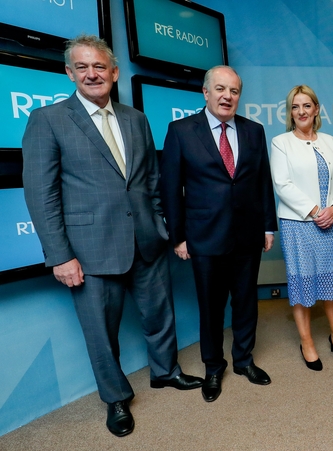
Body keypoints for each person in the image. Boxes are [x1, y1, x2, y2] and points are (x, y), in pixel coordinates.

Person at [21, 34, 202, 437]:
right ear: (69, 73)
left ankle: (166, 372)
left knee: (160, 315)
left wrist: (161, 227)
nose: (92, 74)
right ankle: (115, 397)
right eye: (82, 67)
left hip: (146, 241)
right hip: (90, 250)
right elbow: (41, 194)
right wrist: (60, 255)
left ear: (114, 73)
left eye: (99, 66)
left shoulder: (135, 119)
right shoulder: (48, 120)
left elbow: (151, 181)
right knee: (101, 333)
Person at [160, 65, 278, 403]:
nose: (227, 96)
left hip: (248, 234)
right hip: (204, 236)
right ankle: (213, 367)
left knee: (246, 302)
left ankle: (244, 360)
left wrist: (267, 225)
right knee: (211, 308)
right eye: (221, 89)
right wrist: (178, 237)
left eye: (234, 91)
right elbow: (170, 188)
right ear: (206, 92)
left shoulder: (254, 131)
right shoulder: (181, 131)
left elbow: (262, 181)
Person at [270, 85, 333, 371]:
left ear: (316, 109)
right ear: (290, 113)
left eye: (306, 105)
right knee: (302, 285)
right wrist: (316, 211)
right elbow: (282, 184)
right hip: (298, 224)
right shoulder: (281, 142)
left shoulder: (330, 140)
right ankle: (307, 342)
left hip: (331, 221)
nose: (301, 111)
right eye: (295, 107)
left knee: (332, 283)